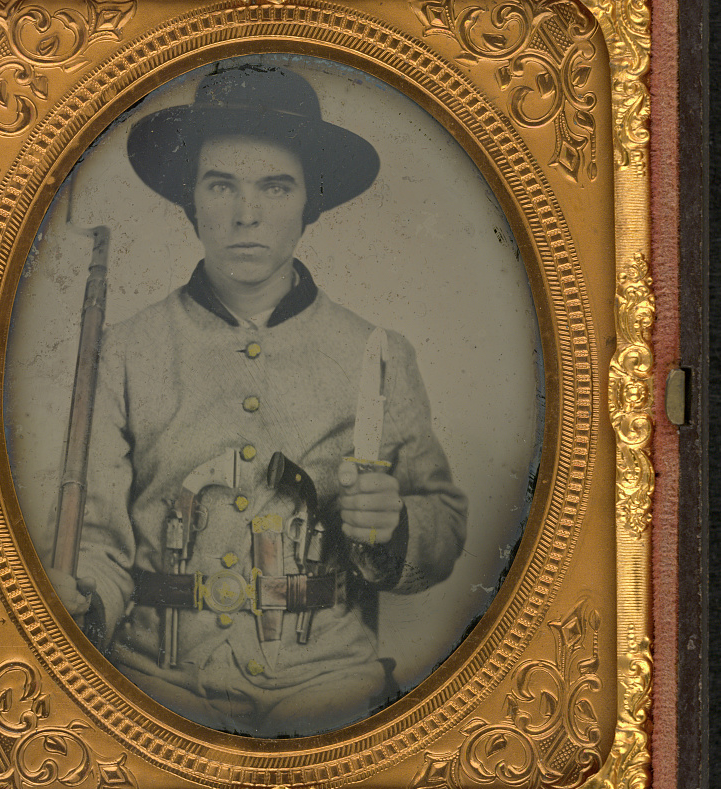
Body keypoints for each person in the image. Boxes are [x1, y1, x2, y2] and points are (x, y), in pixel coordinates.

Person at [49, 64, 467, 738]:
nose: (247, 213)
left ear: (309, 203)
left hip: (327, 681)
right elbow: (100, 544)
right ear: (191, 200)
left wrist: (395, 526)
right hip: (157, 684)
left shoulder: (377, 353)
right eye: (222, 186)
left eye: (275, 188)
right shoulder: (122, 351)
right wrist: (82, 598)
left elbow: (441, 527)